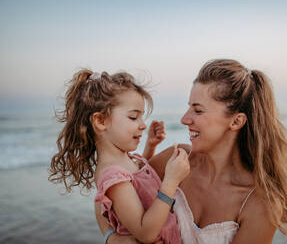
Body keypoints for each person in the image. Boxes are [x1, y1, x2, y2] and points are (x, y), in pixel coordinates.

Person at [97, 59, 287, 244]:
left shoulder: (261, 205)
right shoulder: (175, 160)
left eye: (197, 110)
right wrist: (112, 238)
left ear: (236, 121)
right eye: (189, 107)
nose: (184, 119)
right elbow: (109, 193)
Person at [48, 70, 190, 244]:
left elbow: (139, 183)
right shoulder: (113, 176)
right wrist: (170, 182)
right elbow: (145, 233)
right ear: (101, 121)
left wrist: (150, 146)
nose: (143, 125)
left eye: (141, 117)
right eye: (133, 117)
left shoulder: (124, 160)